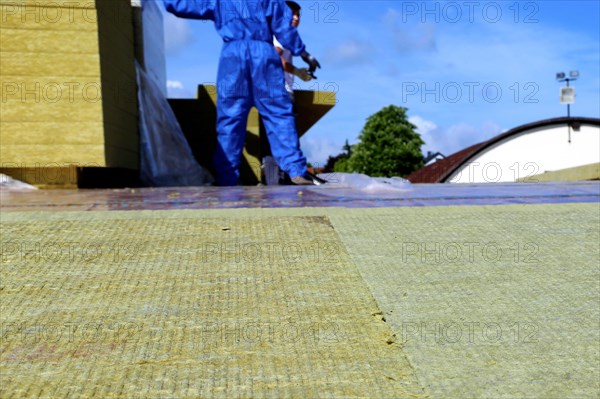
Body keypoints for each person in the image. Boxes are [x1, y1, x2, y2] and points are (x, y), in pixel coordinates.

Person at [163, 0, 323, 186]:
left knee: (230, 120)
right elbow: (282, 26)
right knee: (279, 115)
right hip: (264, 54)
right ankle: (297, 171)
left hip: (233, 57)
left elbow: (178, 5)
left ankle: (226, 178)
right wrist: (303, 53)